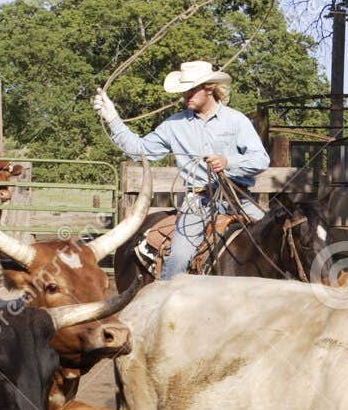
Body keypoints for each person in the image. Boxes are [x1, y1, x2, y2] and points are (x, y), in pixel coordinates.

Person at [92, 60, 270, 278]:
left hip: (239, 200)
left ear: (209, 88)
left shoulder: (236, 121)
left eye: (192, 89)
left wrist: (228, 162)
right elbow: (140, 150)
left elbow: (261, 159)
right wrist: (112, 118)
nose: (186, 95)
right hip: (198, 204)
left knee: (273, 240)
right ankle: (166, 296)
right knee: (178, 260)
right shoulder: (174, 125)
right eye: (185, 90)